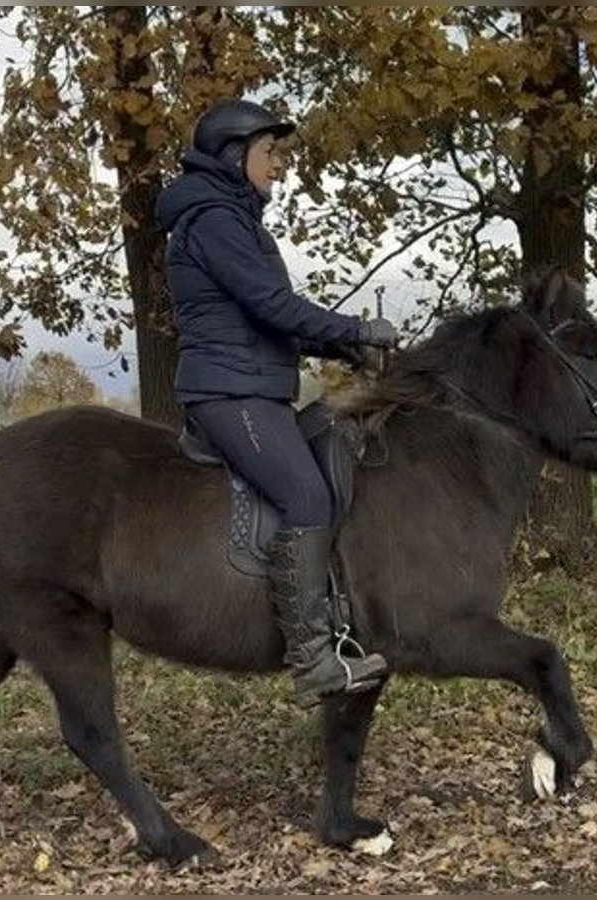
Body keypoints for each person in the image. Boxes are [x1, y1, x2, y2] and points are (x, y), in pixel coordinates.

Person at [155, 98, 398, 706]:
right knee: (306, 495)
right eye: (271, 154)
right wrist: (355, 330)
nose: (279, 168)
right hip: (229, 392)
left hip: (257, 387)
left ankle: (341, 612)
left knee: (339, 438)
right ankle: (313, 659)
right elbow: (272, 306)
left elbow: (273, 319)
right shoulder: (213, 220)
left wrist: (344, 349)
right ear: (235, 156)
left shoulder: (235, 220)